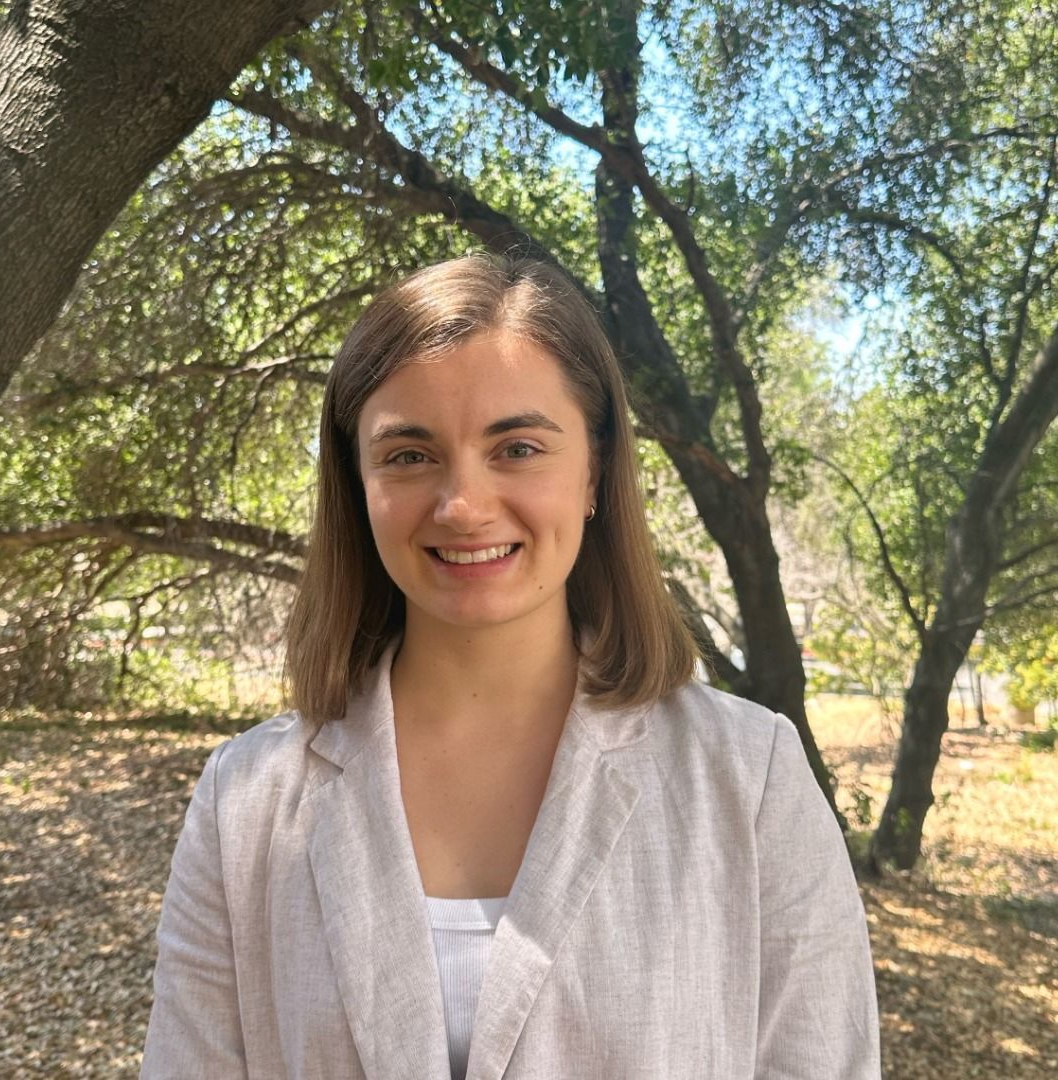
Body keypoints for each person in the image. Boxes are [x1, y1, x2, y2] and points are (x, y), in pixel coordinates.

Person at [141, 254, 881, 1079]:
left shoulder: (752, 782)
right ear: (358, 483)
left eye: (518, 447)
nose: (462, 505)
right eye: (409, 455)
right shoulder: (243, 802)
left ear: (595, 470)